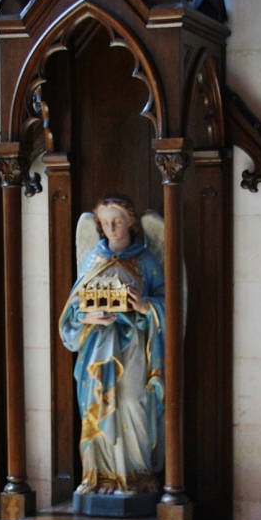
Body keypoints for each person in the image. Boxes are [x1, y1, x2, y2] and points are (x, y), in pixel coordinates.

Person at [59, 195, 165, 495]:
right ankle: (102, 477)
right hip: (98, 346)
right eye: (105, 223)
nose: (111, 228)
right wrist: (88, 315)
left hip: (132, 345)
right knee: (98, 404)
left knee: (132, 401)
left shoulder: (146, 261)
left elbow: (170, 304)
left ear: (130, 221)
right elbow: (74, 307)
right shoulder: (95, 258)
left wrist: (145, 307)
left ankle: (138, 473)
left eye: (117, 221)